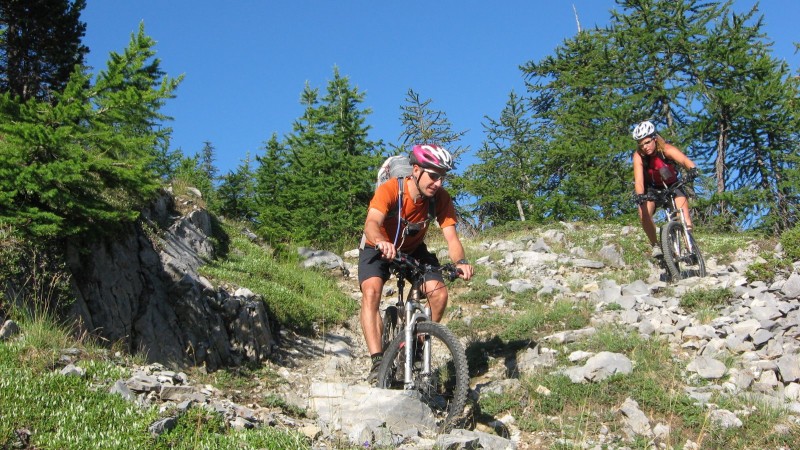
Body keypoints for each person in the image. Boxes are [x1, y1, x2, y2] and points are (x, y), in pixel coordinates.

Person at [358, 144, 474, 383]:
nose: (438, 183)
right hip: (377, 245)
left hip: (413, 251)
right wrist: (381, 241)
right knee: (371, 292)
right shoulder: (392, 190)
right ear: (416, 170)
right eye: (433, 176)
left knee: (438, 293)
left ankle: (416, 347)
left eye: (442, 177)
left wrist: (460, 262)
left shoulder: (440, 198)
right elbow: (371, 223)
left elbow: (451, 237)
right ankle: (377, 362)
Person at [631, 120, 699, 258]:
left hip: (673, 186)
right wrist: (639, 195)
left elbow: (685, 161)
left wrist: (692, 170)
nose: (645, 147)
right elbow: (639, 181)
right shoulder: (638, 156)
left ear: (654, 138)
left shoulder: (666, 149)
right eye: (641, 144)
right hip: (652, 189)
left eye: (648, 142)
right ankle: (656, 245)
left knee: (684, 216)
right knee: (643, 213)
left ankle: (689, 247)